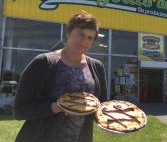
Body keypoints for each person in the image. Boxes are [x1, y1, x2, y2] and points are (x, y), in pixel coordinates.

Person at [13, 10, 108, 142]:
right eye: (80, 34)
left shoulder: (97, 67)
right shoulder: (43, 63)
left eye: (90, 37)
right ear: (68, 33)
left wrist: (118, 118)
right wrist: (58, 107)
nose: (84, 41)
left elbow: (101, 106)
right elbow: (19, 110)